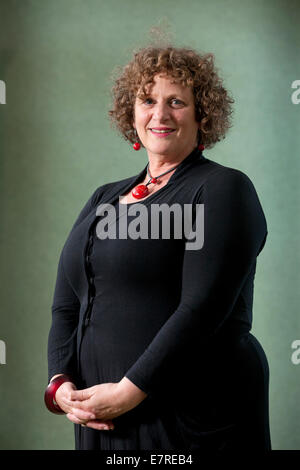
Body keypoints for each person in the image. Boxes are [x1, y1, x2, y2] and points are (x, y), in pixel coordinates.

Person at [45, 45, 272, 451]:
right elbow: (67, 304)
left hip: (191, 418)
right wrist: (60, 384)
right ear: (131, 114)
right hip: (102, 421)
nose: (160, 114)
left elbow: (202, 309)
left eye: (176, 102)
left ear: (202, 113)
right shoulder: (104, 198)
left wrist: (129, 393)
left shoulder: (222, 189)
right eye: (147, 100)